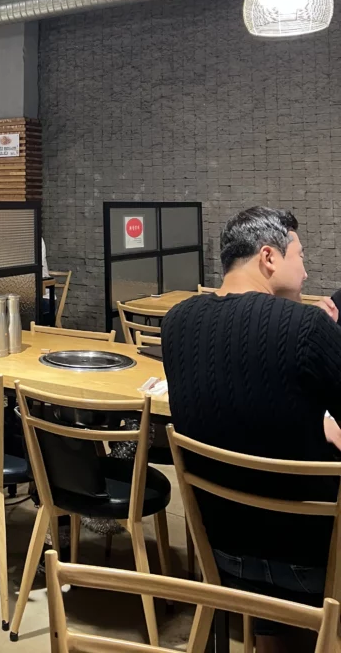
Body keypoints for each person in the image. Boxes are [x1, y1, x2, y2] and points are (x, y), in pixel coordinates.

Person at [162, 207, 341, 653]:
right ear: (268, 258)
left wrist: (315, 420)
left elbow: (248, 402)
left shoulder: (176, 323)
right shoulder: (308, 327)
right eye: (300, 255)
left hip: (220, 548)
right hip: (311, 559)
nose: (306, 270)